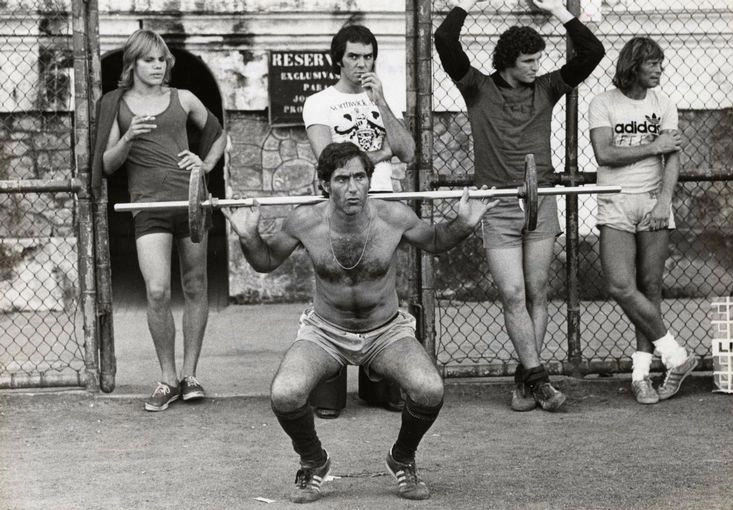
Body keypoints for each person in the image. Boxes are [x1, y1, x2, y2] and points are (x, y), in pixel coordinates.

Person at [223, 141, 495, 503]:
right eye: (341, 179)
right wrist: (248, 237)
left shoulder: (393, 217)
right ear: (324, 184)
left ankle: (402, 459)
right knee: (285, 394)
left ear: (369, 180)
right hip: (326, 331)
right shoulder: (305, 221)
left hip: (386, 330)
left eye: (360, 177)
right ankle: (313, 461)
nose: (353, 188)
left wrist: (463, 223)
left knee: (430, 390)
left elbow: (433, 240)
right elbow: (266, 261)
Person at [434, 0, 605, 411]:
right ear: (509, 61)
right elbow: (444, 40)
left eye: (538, 60)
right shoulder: (477, 88)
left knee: (537, 291)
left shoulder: (547, 89)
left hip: (539, 200)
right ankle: (541, 380)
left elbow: (592, 53)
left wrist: (556, 10)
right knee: (512, 293)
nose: (535, 66)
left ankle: (526, 379)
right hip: (497, 204)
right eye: (529, 60)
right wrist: (464, 4)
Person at [91, 30, 226, 411]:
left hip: (191, 201)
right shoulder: (117, 104)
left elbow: (217, 133)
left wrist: (206, 162)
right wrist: (129, 135)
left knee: (196, 285)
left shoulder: (182, 98)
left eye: (162, 60)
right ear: (132, 64)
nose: (157, 66)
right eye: (149, 60)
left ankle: (190, 375)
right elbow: (107, 164)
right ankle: (167, 378)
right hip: (147, 207)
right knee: (156, 291)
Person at [302, 24, 416, 418]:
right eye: (354, 56)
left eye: (368, 57)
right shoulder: (320, 102)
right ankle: (328, 382)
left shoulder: (380, 97)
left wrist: (381, 101)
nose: (361, 64)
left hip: (381, 203)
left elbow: (408, 151)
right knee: (335, 278)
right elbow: (329, 161)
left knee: (381, 282)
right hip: (341, 206)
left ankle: (379, 380)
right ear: (340, 59)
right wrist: (380, 155)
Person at [588, 37, 697, 404]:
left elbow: (673, 157)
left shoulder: (663, 103)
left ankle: (641, 376)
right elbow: (604, 154)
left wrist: (664, 203)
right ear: (634, 65)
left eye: (661, 65)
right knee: (621, 285)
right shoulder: (603, 102)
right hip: (615, 202)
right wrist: (652, 147)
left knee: (650, 286)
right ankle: (676, 356)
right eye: (653, 64)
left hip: (653, 202)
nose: (659, 70)